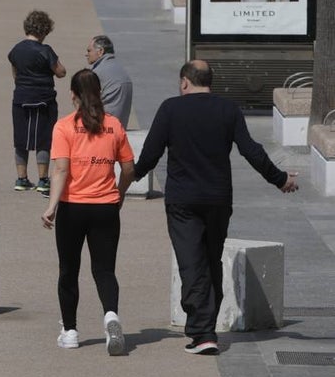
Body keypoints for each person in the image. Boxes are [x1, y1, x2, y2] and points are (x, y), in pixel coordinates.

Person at [133, 61, 299, 356]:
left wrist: (126, 177)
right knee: (211, 261)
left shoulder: (170, 109)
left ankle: (202, 333)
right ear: (210, 81)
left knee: (191, 264)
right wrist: (280, 179)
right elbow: (251, 150)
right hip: (218, 200)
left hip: (183, 201)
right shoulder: (228, 109)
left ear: (185, 82)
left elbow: (149, 155)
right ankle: (205, 326)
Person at [42, 69, 135, 354]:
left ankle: (70, 331)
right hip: (106, 207)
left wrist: (51, 206)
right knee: (105, 270)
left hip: (73, 208)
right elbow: (129, 168)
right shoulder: (114, 126)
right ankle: (110, 316)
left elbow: (60, 169)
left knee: (68, 270)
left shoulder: (64, 127)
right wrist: (118, 194)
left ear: (73, 95)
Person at [8, 10, 66, 194]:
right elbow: (61, 72)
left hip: (21, 98)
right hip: (44, 99)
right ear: (44, 30)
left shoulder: (16, 50)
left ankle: (21, 178)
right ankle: (43, 179)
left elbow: (15, 74)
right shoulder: (45, 50)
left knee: (21, 139)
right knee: (43, 139)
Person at [85, 34, 133, 126]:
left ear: (100, 51)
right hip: (120, 126)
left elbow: (86, 103)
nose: (87, 54)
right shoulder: (120, 69)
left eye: (89, 50)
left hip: (103, 128)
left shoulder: (96, 72)